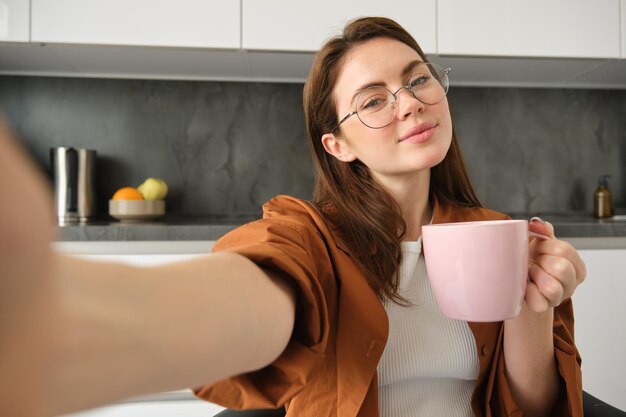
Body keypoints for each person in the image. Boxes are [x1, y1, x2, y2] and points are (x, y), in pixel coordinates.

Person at [0, 16, 585, 417]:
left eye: (417, 78)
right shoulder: (310, 236)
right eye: (373, 99)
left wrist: (533, 304)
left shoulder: (497, 233)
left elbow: (531, 409)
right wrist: (50, 320)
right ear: (339, 146)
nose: (409, 102)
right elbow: (262, 286)